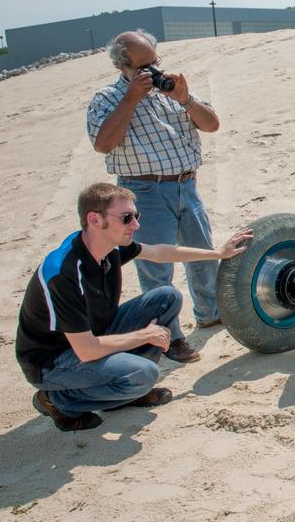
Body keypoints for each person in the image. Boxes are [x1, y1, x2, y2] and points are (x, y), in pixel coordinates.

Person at [15, 182, 252, 432]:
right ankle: (57, 400)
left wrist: (218, 254)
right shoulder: (62, 274)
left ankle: (123, 391)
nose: (136, 225)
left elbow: (159, 252)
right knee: (144, 374)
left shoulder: (107, 246)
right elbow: (86, 350)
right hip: (53, 361)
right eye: (127, 218)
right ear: (95, 219)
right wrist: (144, 335)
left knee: (166, 297)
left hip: (94, 336)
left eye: (136, 216)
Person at [87, 30, 224, 341]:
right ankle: (169, 336)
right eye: (142, 68)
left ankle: (211, 314)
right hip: (143, 191)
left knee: (201, 255)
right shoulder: (106, 98)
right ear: (123, 67)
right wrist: (131, 98)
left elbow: (212, 125)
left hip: (186, 186)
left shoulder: (169, 92)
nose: (151, 73)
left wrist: (185, 98)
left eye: (154, 64)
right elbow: (103, 143)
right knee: (155, 271)